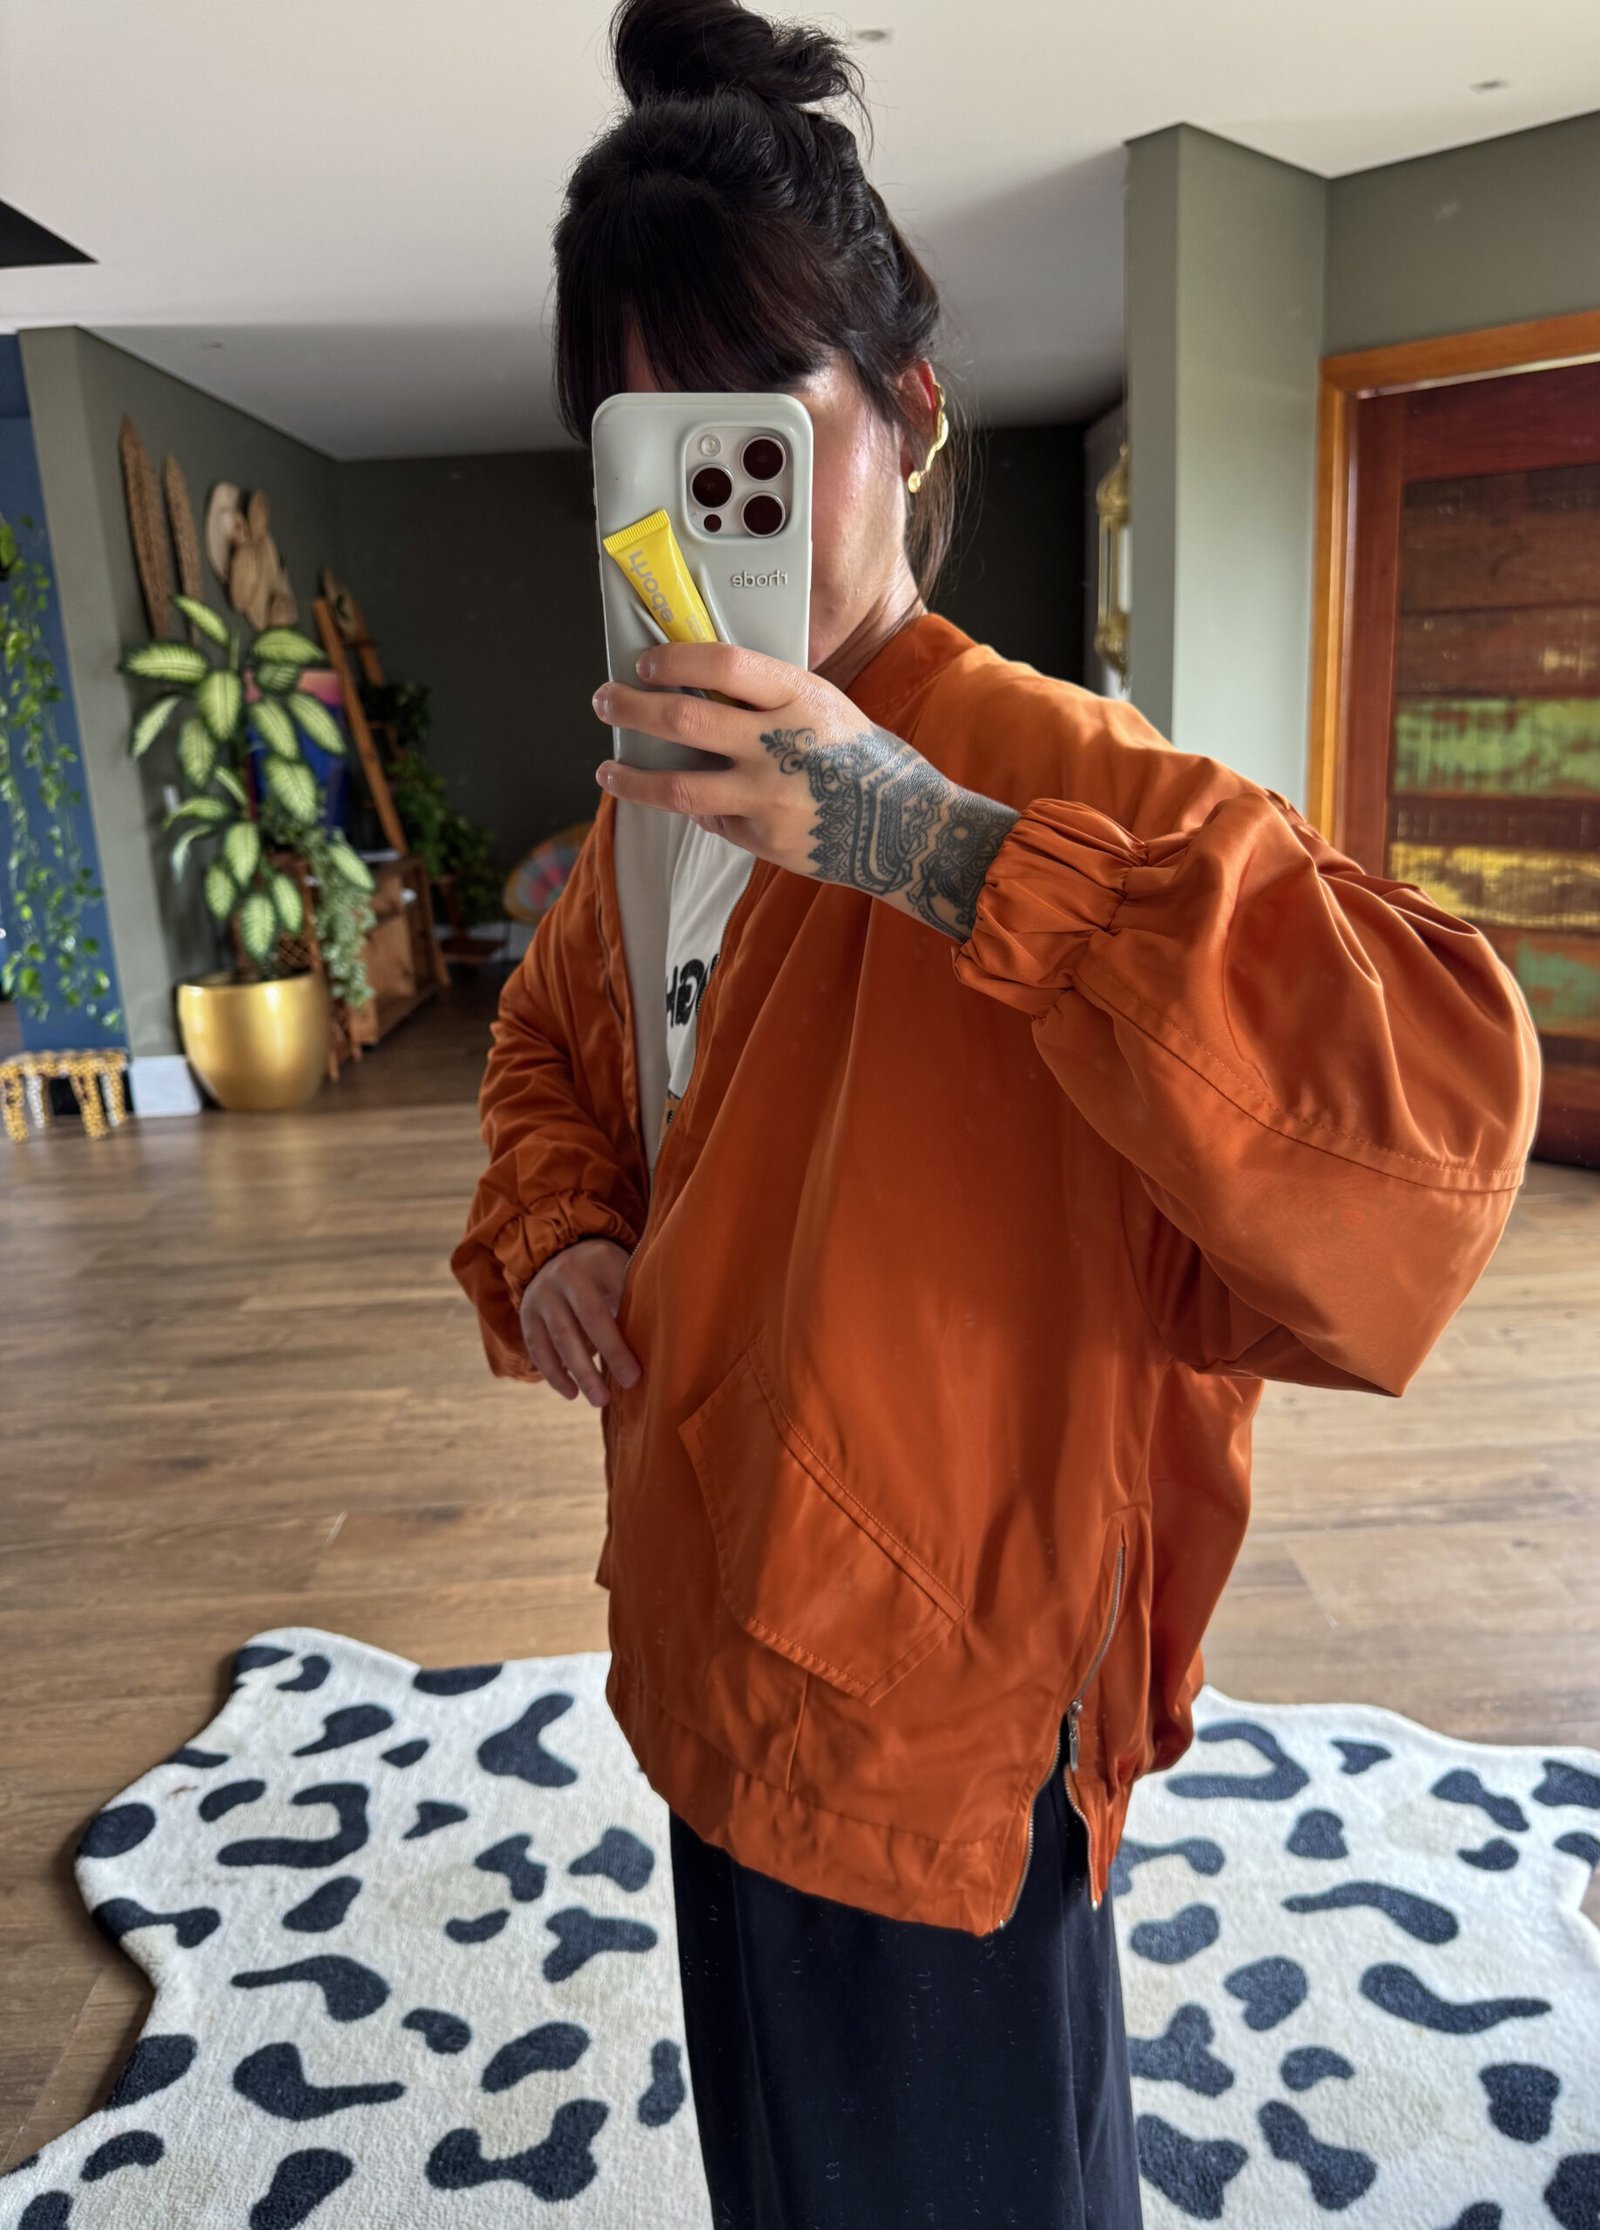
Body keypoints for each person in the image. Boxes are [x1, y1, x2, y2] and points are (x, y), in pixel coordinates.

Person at [451, 3, 1544, 2222]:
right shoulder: (650, 783)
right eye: (644, 436)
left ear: (910, 411)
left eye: (758, 418)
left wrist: (936, 849)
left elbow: (1433, 1135)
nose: (703, 499)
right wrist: (564, 1224)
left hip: (932, 1715)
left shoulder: (1068, 780)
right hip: (705, 1630)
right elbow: (550, 1051)